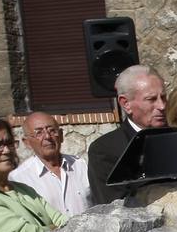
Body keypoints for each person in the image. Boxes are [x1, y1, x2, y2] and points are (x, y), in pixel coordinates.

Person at [87, 65, 167, 205]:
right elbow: (112, 206)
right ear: (126, 104)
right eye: (151, 99)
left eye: (164, 97)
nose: (162, 106)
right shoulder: (104, 150)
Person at [10, 112, 91, 218]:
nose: (47, 136)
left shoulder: (81, 166)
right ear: (27, 143)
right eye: (39, 133)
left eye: (52, 131)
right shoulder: (19, 179)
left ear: (61, 136)